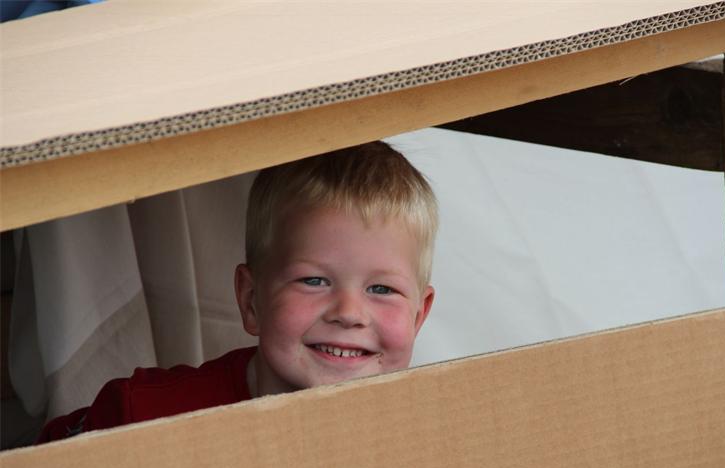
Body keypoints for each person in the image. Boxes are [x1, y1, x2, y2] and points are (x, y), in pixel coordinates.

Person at [37, 141, 438, 443]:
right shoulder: (142, 416)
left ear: (419, 316)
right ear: (251, 300)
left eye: (382, 288)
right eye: (314, 281)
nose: (348, 312)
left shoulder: (434, 434)